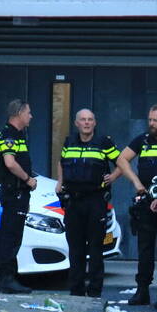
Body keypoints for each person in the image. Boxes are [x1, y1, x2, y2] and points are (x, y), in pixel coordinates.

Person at [56, 108, 120, 298]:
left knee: (95, 248)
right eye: (83, 120)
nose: (86, 123)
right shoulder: (70, 141)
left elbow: (122, 162)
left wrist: (113, 177)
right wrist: (59, 182)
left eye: (90, 120)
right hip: (73, 201)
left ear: (94, 123)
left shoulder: (103, 143)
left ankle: (94, 292)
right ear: (76, 123)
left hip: (95, 200)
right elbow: (61, 162)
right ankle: (76, 290)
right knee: (75, 248)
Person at [115, 104, 157, 305]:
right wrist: (136, 183)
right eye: (150, 120)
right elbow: (122, 159)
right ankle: (142, 290)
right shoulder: (143, 140)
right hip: (147, 200)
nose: (152, 124)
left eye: (155, 120)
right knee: (145, 248)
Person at [0, 99, 36, 294]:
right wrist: (27, 179)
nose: (30, 116)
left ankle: (7, 277)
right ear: (19, 113)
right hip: (15, 192)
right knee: (10, 237)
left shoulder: (17, 135)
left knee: (12, 236)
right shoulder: (10, 135)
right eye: (28, 112)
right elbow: (10, 163)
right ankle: (5, 279)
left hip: (16, 193)